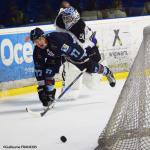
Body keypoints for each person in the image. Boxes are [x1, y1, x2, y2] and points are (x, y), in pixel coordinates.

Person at [30, 27, 116, 108]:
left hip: (70, 50)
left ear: (44, 36)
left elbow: (73, 49)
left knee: (91, 67)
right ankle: (49, 97)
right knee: (48, 72)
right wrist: (41, 87)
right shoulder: (37, 51)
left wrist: (83, 58)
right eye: (35, 41)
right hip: (56, 55)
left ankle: (107, 72)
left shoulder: (57, 40)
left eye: (40, 39)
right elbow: (38, 68)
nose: (38, 43)